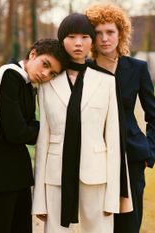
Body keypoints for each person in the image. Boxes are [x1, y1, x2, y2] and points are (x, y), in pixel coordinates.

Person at [0, 38, 68, 233]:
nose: (46, 74)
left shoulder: (26, 83)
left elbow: (28, 125)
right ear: (32, 54)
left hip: (17, 172)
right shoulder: (8, 76)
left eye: (53, 73)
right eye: (45, 64)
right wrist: (51, 130)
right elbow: (17, 132)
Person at [32, 13, 122, 233]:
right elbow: (43, 139)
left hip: (96, 174)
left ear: (92, 41)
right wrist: (39, 200)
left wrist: (113, 197)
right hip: (55, 175)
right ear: (62, 40)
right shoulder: (47, 83)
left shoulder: (107, 81)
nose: (78, 43)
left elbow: (112, 138)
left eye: (85, 37)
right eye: (71, 37)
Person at [86, 3, 155, 233]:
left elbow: (154, 116)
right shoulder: (83, 71)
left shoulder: (137, 68)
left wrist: (150, 150)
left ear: (121, 34)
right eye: (98, 33)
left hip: (132, 156)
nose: (104, 39)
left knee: (129, 223)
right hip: (95, 156)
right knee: (99, 222)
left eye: (110, 32)